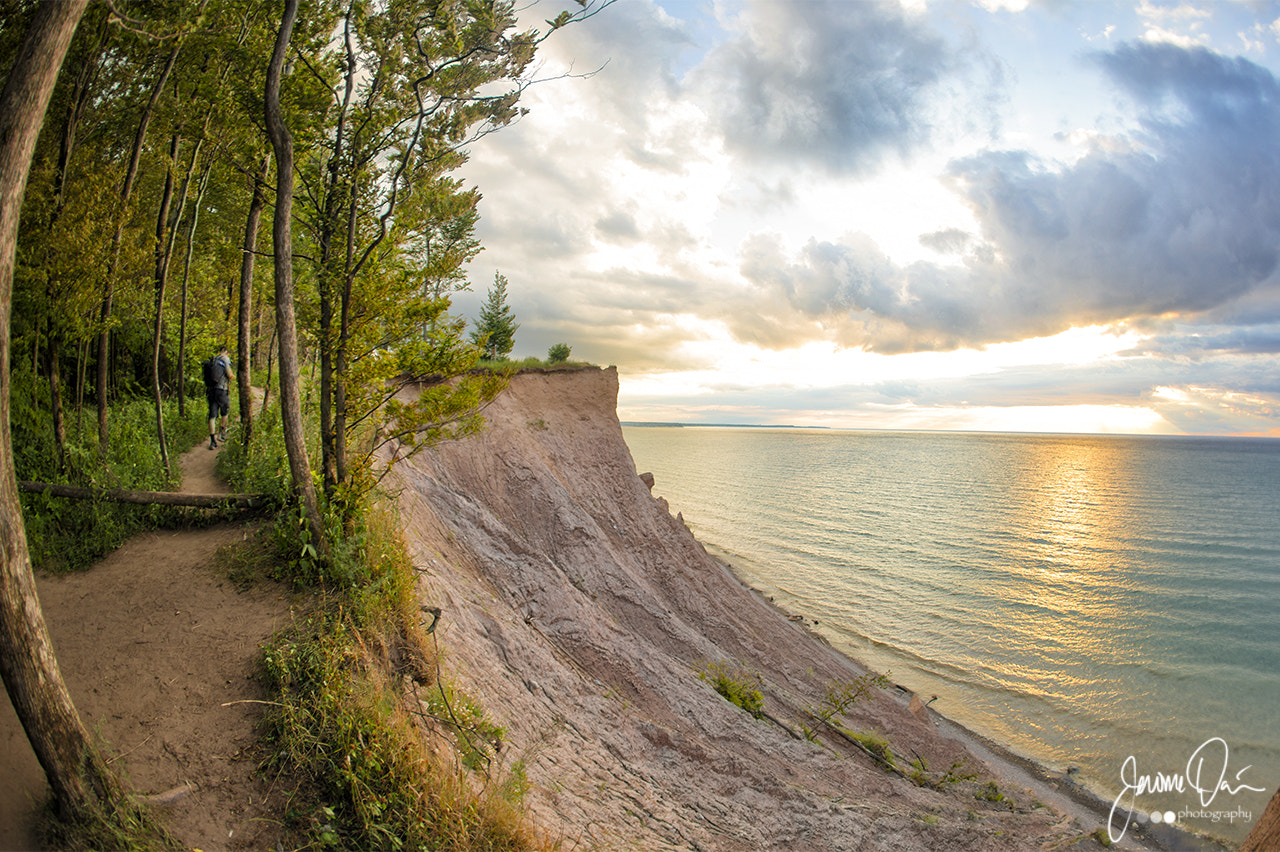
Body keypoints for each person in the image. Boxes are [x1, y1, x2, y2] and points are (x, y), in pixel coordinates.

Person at [204, 345, 235, 450]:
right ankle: (222, 433)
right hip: (222, 390)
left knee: (212, 415)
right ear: (226, 352)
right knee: (224, 412)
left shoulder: (213, 360)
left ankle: (212, 441)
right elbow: (230, 374)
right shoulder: (225, 360)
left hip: (210, 390)